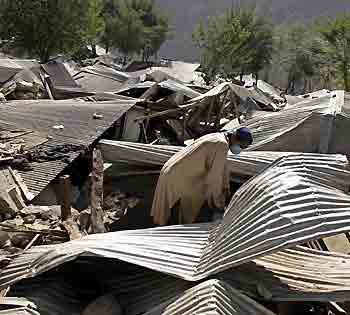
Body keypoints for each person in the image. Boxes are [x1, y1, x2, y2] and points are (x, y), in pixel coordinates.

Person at [151, 127, 253, 226]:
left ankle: (181, 225)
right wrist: (218, 203)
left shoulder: (218, 137)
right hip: (176, 174)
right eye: (242, 146)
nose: (240, 150)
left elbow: (223, 167)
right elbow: (215, 177)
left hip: (175, 170)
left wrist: (226, 186)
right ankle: (158, 236)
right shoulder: (221, 144)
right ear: (235, 139)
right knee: (162, 214)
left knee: (191, 198)